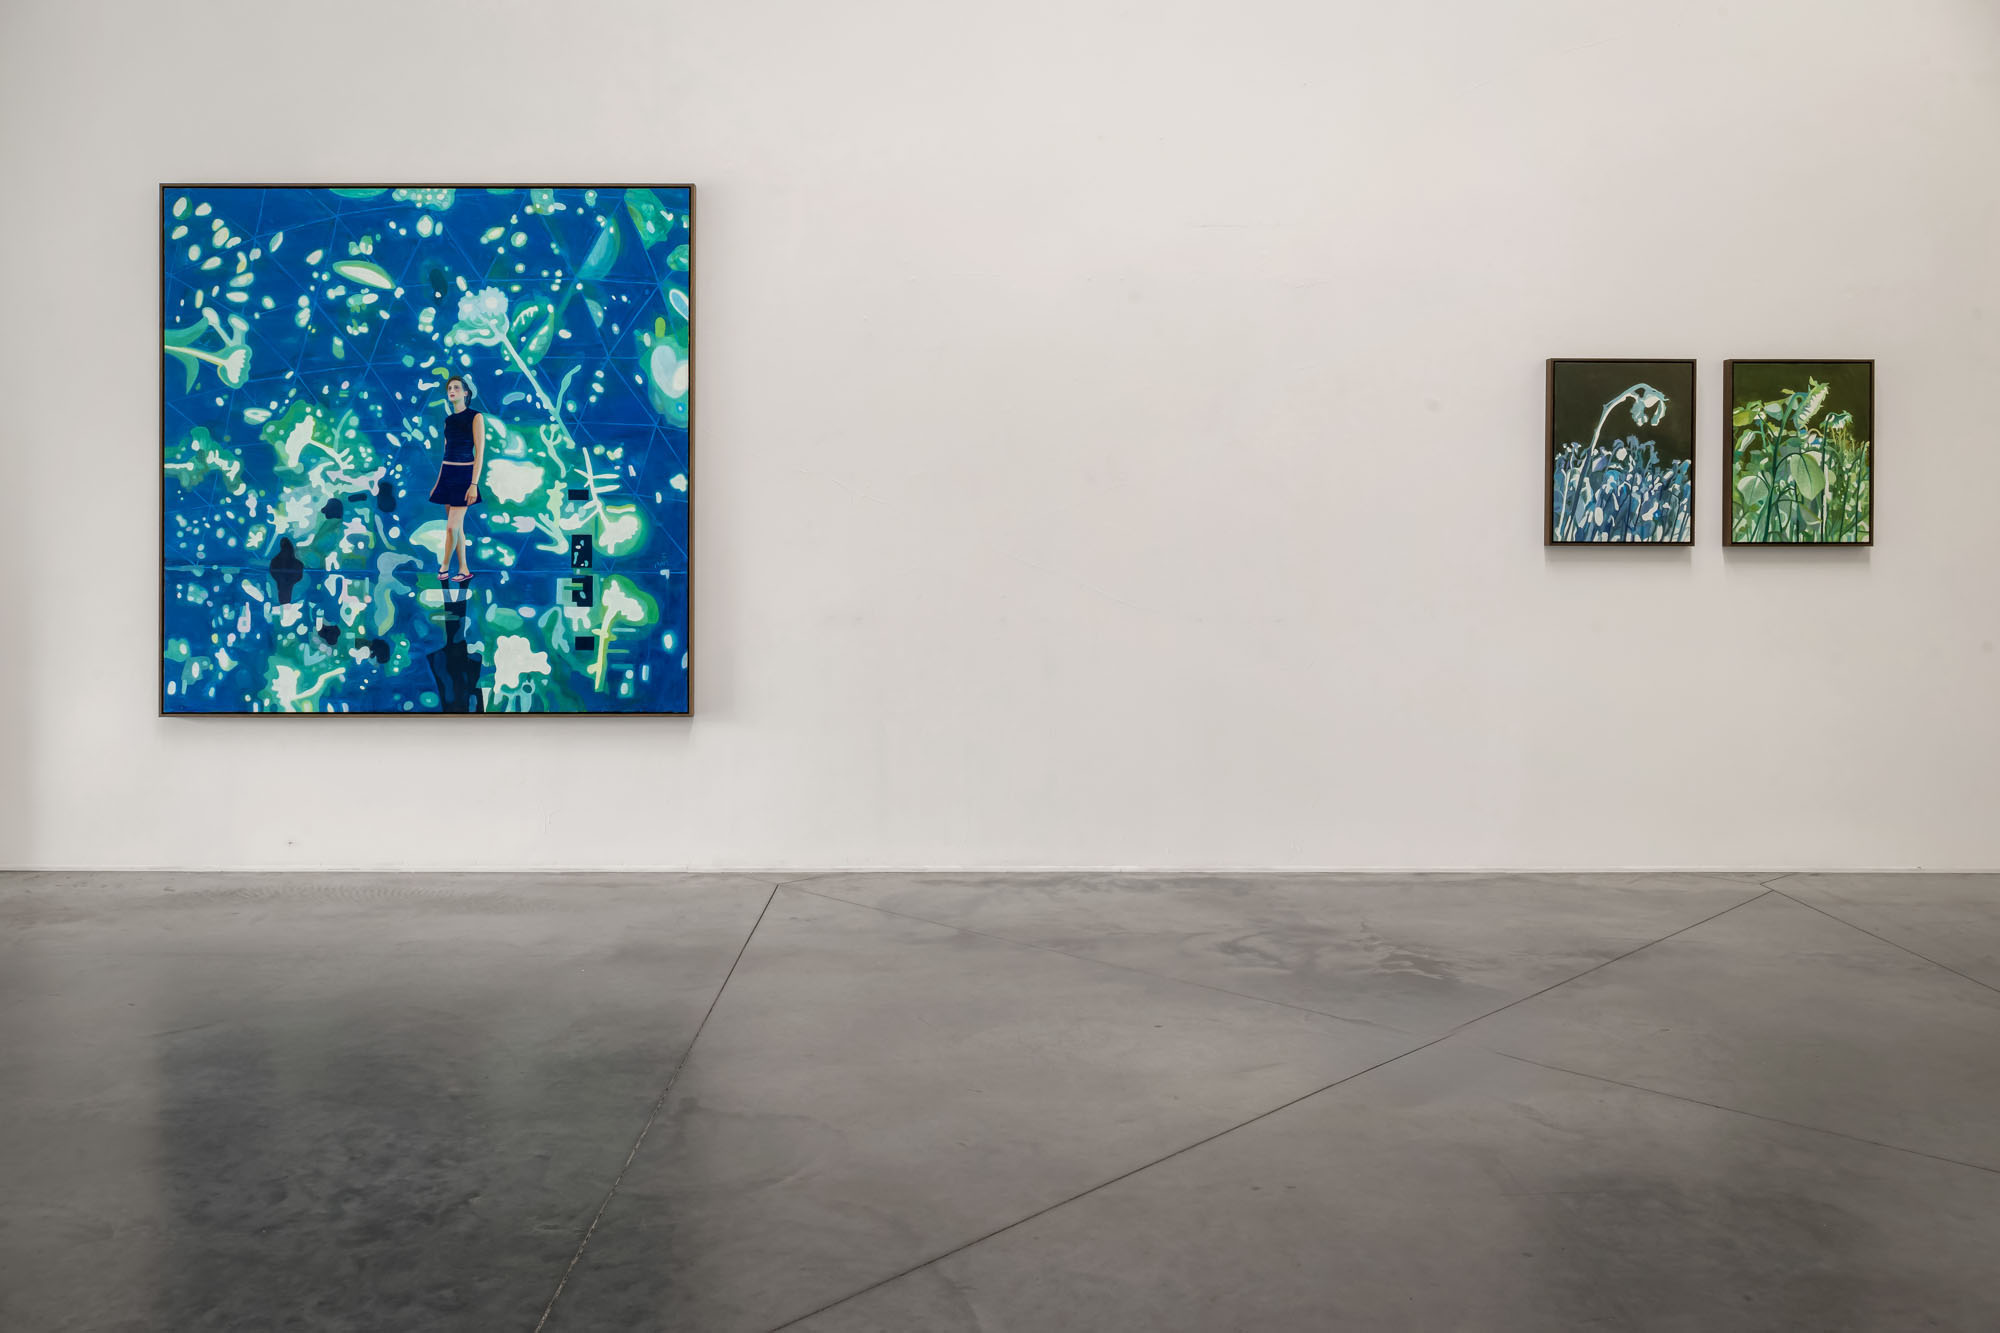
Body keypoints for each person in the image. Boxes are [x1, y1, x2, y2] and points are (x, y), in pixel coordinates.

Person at [427, 375, 485, 582]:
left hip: (464, 475)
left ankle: (444, 566)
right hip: (448, 475)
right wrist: (437, 483)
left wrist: (474, 484)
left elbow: (480, 453)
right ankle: (464, 569)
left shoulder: (476, 417)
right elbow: (446, 453)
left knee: (452, 527)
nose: (452, 391)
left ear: (466, 393)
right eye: (449, 388)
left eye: (456, 387)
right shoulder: (448, 421)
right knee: (457, 527)